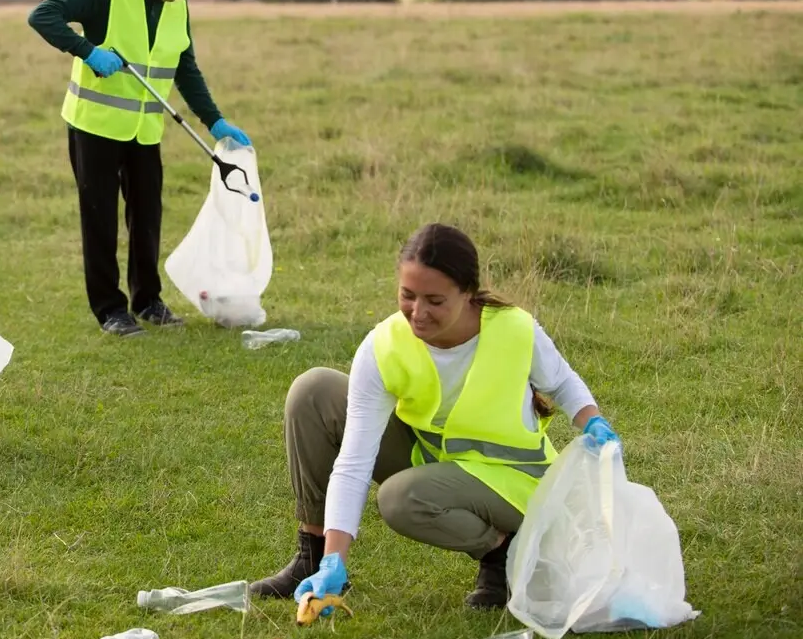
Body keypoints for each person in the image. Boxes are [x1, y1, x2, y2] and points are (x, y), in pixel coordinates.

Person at [249, 222, 622, 610]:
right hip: (434, 462)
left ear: (467, 293)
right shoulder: (384, 346)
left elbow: (562, 382)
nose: (418, 313)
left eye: (435, 300)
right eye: (407, 296)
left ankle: (502, 555)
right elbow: (355, 460)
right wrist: (334, 559)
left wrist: (592, 422)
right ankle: (313, 558)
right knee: (314, 391)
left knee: (400, 499)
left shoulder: (514, 330)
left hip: (514, 482)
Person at [26, 0, 253, 337]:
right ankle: (110, 309)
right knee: (99, 219)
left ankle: (148, 300)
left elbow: (185, 67)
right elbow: (42, 15)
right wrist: (87, 50)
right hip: (93, 125)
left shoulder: (176, 4)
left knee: (147, 216)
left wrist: (214, 121)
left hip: (145, 130)